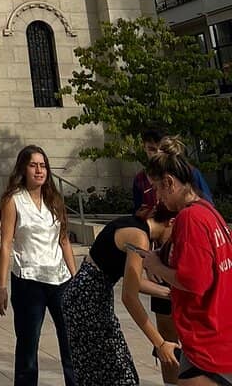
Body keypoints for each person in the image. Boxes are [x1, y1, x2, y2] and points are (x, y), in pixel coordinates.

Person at [142, 137, 232, 386]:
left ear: (169, 182)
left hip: (206, 342)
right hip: (218, 334)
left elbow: (194, 281)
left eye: (157, 188)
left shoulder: (189, 218)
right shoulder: (209, 212)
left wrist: (156, 267)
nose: (157, 197)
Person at [61, 204, 177, 385]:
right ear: (171, 222)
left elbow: (134, 281)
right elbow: (129, 297)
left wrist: (172, 293)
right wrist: (160, 343)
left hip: (81, 299)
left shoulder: (133, 225)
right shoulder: (139, 237)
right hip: (88, 304)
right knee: (122, 376)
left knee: (98, 375)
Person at [0, 145, 77, 386]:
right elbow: (6, 244)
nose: (39, 170)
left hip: (60, 279)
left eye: (43, 166)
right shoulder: (13, 200)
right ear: (23, 169)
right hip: (28, 281)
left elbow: (64, 241)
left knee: (70, 342)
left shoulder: (55, 200)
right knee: (28, 347)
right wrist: (1, 287)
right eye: (33, 165)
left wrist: (76, 279)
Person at [133, 128, 213, 221]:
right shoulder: (139, 179)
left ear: (170, 182)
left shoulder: (190, 172)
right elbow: (137, 211)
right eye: (152, 149)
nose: (157, 154)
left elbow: (207, 206)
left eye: (160, 149)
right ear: (144, 148)